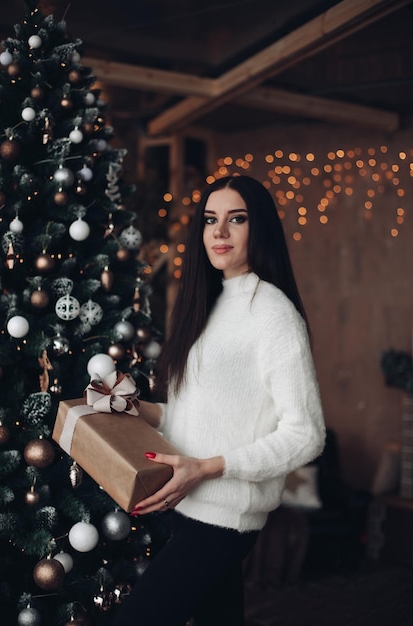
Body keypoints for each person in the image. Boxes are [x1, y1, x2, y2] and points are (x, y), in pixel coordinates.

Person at [110, 174, 325, 626]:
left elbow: (306, 434)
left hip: (225, 516)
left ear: (258, 228)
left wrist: (208, 467)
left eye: (236, 219)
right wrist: (140, 409)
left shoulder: (273, 314)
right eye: (210, 220)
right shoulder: (206, 305)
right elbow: (202, 418)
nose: (220, 232)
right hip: (187, 505)